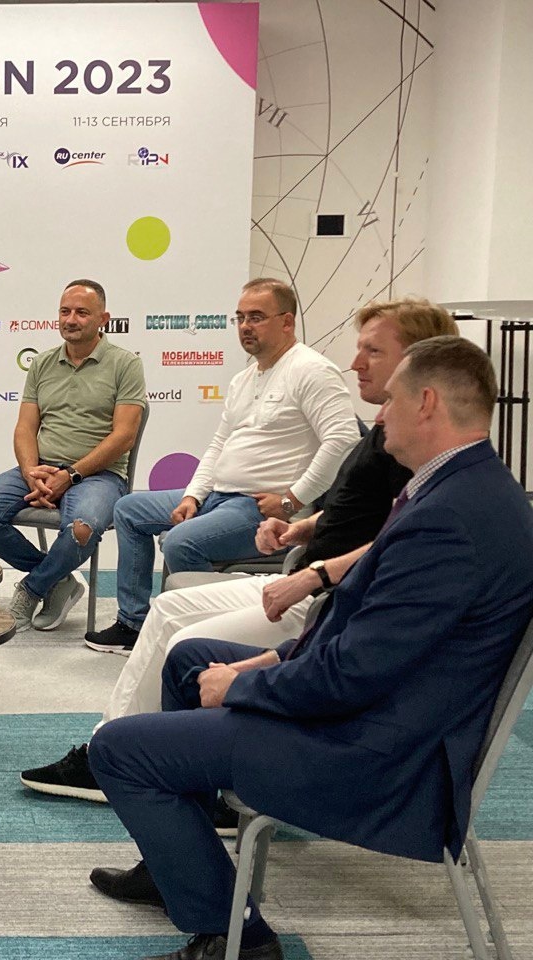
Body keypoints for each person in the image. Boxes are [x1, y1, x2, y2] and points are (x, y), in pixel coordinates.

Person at [87, 336, 533, 960]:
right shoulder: (467, 489)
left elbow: (350, 674)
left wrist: (243, 685)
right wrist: (273, 659)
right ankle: (177, 865)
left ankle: (238, 939)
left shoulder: (450, 518)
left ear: (427, 403)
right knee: (190, 661)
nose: (379, 414)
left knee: (120, 750)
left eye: (391, 400)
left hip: (372, 752)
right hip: (381, 712)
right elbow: (371, 637)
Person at [19, 297, 457, 803]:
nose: (355, 362)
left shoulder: (400, 433)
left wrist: (297, 518)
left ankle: (143, 764)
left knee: (184, 617)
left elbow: (401, 538)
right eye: (240, 317)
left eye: (372, 351)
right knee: (161, 592)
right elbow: (375, 514)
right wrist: (293, 524)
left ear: (417, 361)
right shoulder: (363, 422)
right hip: (280, 549)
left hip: (314, 588)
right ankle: (111, 741)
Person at [87, 277, 360, 653]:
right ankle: (133, 625)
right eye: (240, 317)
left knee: (182, 541)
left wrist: (292, 500)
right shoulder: (244, 378)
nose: (245, 326)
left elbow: (343, 439)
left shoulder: (312, 370)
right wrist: (192, 496)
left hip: (260, 508)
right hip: (218, 495)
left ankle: (203, 641)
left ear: (287, 322)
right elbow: (218, 445)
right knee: (129, 509)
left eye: (256, 317)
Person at [0, 279, 146, 632]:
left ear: (103, 318)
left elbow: (124, 436)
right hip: (41, 469)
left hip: (100, 476)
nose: (71, 319)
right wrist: (31, 472)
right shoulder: (43, 363)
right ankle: (58, 579)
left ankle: (33, 588)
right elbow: (24, 428)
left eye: (82, 312)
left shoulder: (125, 364)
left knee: (81, 528)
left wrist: (71, 475)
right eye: (65, 311)